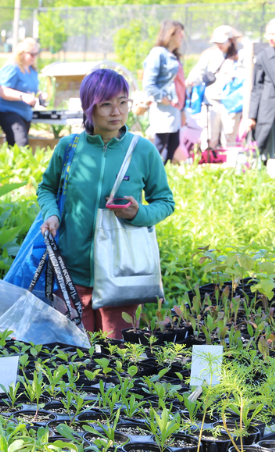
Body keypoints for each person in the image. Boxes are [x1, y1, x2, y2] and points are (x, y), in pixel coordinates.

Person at [36, 69, 174, 339]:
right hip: (71, 273)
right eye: (107, 104)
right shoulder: (69, 147)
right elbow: (46, 188)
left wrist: (139, 213)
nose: (117, 112)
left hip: (121, 274)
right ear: (90, 107)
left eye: (123, 102)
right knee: (75, 357)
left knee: (117, 357)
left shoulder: (142, 150)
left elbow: (165, 202)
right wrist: (52, 214)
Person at [186, 26, 245, 149]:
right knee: (208, 137)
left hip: (231, 102)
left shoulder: (240, 55)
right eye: (216, 42)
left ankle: (229, 165)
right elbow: (197, 72)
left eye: (222, 42)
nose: (219, 45)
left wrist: (234, 75)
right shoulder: (209, 54)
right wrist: (191, 81)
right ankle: (209, 163)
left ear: (230, 40)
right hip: (210, 102)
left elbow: (246, 76)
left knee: (229, 137)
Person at [142, 20, 187, 165]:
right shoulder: (158, 54)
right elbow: (148, 83)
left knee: (174, 143)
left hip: (175, 106)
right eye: (180, 32)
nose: (182, 36)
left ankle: (163, 170)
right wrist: (162, 98)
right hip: (163, 107)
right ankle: (148, 172)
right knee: (160, 143)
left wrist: (182, 109)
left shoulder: (173, 55)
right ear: (170, 34)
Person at [246, 18, 275, 161]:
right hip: (267, 110)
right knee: (265, 151)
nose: (269, 38)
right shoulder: (263, 56)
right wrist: (251, 116)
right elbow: (257, 88)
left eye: (273, 33)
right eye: (268, 34)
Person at [0, 37, 41, 148]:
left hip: (25, 113)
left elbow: (31, 90)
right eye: (31, 54)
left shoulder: (32, 70)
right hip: (8, 112)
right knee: (21, 144)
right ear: (22, 53)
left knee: (13, 146)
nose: (34, 57)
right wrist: (22, 96)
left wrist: (40, 94)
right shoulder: (12, 68)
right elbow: (3, 91)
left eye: (36, 54)